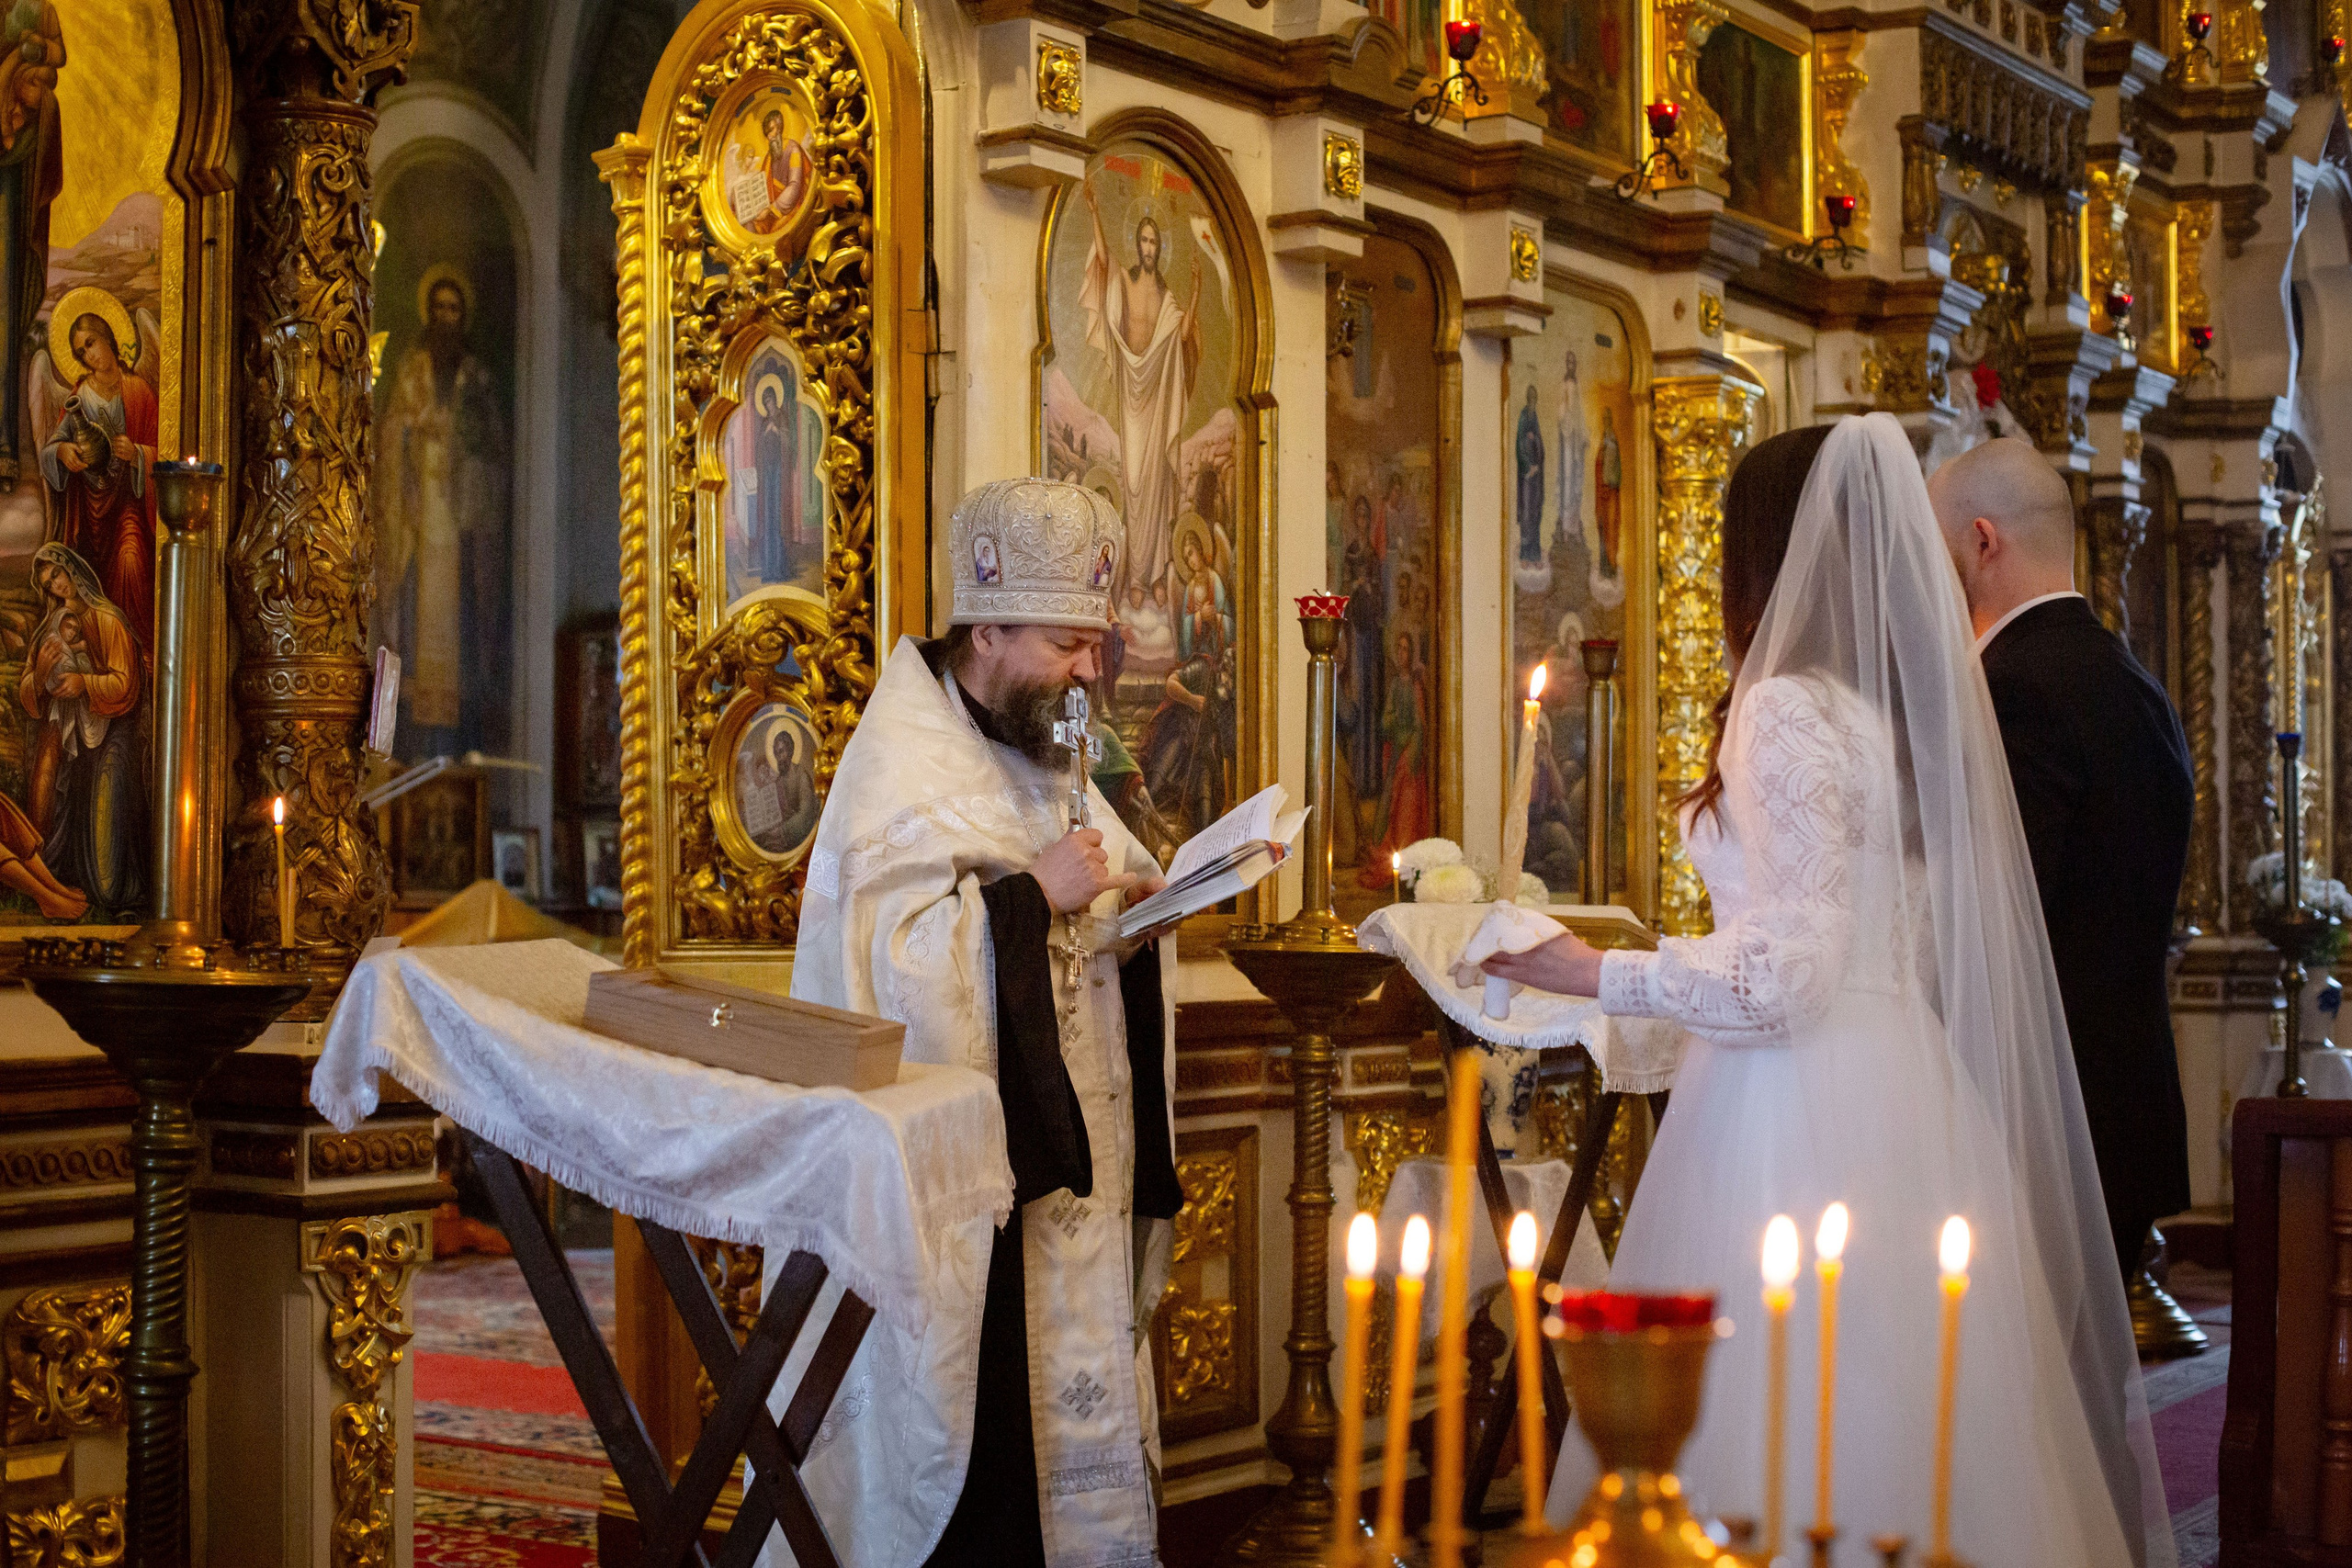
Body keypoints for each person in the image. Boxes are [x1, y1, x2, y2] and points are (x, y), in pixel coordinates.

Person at [1486, 417, 2174, 1568]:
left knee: (1781, 1394)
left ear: (1764, 555)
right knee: (1920, 1399)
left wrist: (1587, 968)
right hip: (1911, 1089)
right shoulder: (1912, 710)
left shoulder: (1787, 709)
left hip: (1788, 1101)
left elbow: (1791, 969)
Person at [793, 477, 1182, 1568]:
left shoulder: (1051, 753)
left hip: (1064, 1174)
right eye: (1069, 643)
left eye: (1098, 645)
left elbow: (1086, 896)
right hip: (968, 1204)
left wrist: (1135, 915)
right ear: (990, 625)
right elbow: (882, 969)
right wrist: (1026, 903)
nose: (1090, 673)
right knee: (983, 1475)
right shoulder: (903, 761)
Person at [1928, 435, 2195, 1286]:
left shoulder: (2015, 688)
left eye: (1932, 547)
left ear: (1981, 540)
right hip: (2126, 1098)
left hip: (2041, 1114)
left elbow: (2001, 917)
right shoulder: (2132, 680)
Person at [1080, 181, 1203, 604]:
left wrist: (1199, 291)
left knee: (1157, 483)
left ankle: (1152, 576)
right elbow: (1103, 259)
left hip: (1159, 397)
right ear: (1138, 244)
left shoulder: (1168, 295)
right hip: (1132, 396)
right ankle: (1134, 576)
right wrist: (1095, 211)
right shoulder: (1126, 283)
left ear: (1160, 247)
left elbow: (1183, 334)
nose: (1149, 247)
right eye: (1144, 240)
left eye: (1155, 242)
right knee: (1133, 484)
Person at [17, 543, 141, 918]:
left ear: (71, 568)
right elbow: (27, 686)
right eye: (47, 583)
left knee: (104, 807)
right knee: (52, 801)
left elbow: (125, 683)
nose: (55, 585)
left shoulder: (108, 621)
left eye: (56, 573)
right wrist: (40, 678)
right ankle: (56, 887)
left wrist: (84, 682)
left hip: (109, 732)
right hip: (61, 732)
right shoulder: (48, 628)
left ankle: (112, 895)